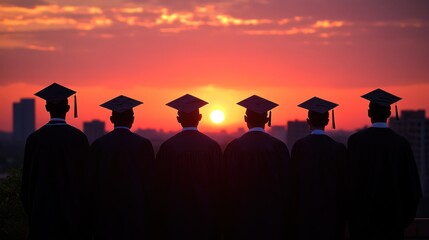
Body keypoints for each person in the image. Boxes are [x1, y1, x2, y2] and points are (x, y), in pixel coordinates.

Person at [347, 88, 422, 240]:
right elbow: (413, 188)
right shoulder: (401, 144)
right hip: (392, 224)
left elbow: (348, 184)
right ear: (389, 114)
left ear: (369, 113)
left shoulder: (356, 142)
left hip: (363, 224)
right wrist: (400, 220)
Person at [20, 83, 90, 240]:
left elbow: (25, 187)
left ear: (46, 107)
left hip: (41, 217)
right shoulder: (78, 138)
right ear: (68, 108)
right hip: (72, 218)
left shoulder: (34, 139)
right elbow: (86, 183)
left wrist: (35, 211)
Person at [154, 94, 223, 240]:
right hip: (206, 217)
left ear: (178, 119)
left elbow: (159, 186)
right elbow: (220, 185)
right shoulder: (211, 146)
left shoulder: (168, 147)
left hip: (174, 218)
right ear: (200, 117)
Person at [223, 95, 290, 240]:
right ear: (267, 120)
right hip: (271, 218)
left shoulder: (234, 148)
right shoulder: (278, 147)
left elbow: (225, 186)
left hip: (240, 219)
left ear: (246, 119)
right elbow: (286, 186)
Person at [89, 95, 155, 240]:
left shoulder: (99, 145)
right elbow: (150, 184)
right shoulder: (143, 145)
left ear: (111, 119)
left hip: (105, 213)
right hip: (136, 213)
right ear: (132, 119)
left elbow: (91, 183)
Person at [288, 96, 346, 240]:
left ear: (308, 122)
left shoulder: (299, 146)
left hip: (304, 215)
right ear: (327, 121)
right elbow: (344, 186)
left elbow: (293, 183)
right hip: (331, 215)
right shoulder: (338, 149)